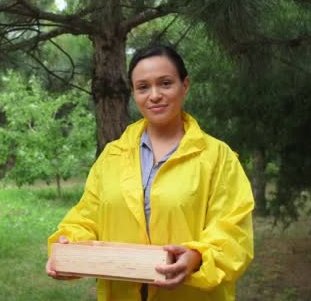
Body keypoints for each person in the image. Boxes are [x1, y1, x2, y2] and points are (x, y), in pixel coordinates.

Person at [45, 44, 254, 300]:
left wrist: (197, 257)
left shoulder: (217, 158)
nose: (154, 95)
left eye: (165, 83)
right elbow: (88, 217)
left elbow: (234, 233)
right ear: (134, 93)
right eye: (143, 87)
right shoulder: (113, 155)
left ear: (184, 85)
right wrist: (69, 246)